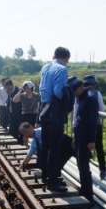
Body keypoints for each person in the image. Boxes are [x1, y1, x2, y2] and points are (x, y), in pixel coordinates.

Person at [38, 47, 71, 192]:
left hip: (43, 109)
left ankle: (45, 175)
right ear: (66, 58)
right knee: (55, 147)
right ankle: (52, 181)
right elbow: (58, 92)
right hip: (54, 112)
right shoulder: (62, 69)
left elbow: (41, 88)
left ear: (54, 56)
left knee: (45, 144)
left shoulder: (46, 67)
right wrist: (67, 98)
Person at [71, 76, 98, 203]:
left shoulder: (90, 98)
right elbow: (78, 117)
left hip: (86, 137)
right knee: (80, 165)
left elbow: (93, 121)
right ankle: (84, 189)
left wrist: (92, 140)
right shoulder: (80, 97)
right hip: (79, 136)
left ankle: (89, 196)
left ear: (77, 88)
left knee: (84, 166)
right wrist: (75, 137)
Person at [83, 75, 106, 179]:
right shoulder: (97, 93)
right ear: (92, 84)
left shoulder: (79, 93)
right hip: (96, 123)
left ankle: (85, 170)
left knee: (84, 146)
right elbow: (102, 108)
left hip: (83, 124)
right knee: (99, 146)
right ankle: (102, 170)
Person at [13, 81, 40, 147]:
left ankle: (35, 145)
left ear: (31, 88)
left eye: (28, 88)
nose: (26, 89)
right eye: (25, 88)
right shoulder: (22, 96)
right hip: (25, 114)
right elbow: (14, 100)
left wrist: (38, 111)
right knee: (25, 131)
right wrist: (20, 91)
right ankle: (26, 146)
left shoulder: (36, 95)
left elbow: (43, 104)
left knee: (35, 130)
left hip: (34, 115)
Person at [5, 79, 23, 144]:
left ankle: (21, 142)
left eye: (8, 87)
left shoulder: (18, 90)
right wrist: (7, 103)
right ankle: (14, 140)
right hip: (11, 112)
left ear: (11, 85)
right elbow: (9, 99)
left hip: (18, 112)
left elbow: (16, 100)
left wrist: (11, 94)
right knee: (13, 127)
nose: (7, 89)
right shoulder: (8, 91)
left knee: (20, 127)